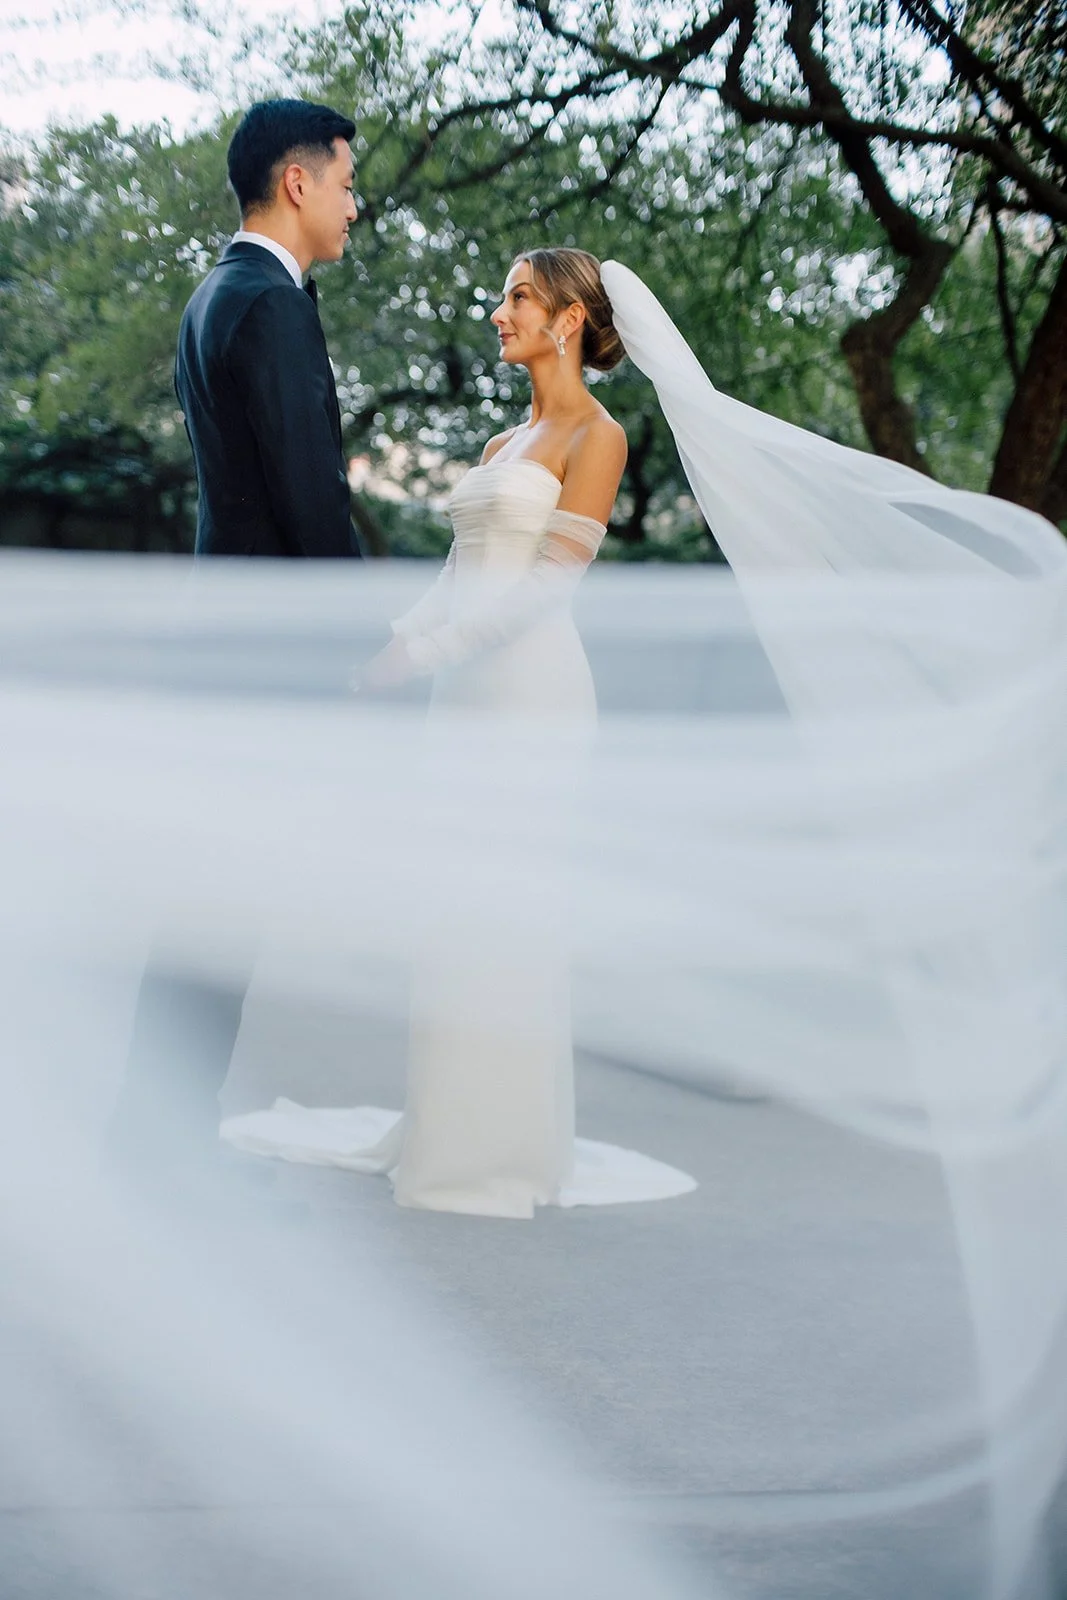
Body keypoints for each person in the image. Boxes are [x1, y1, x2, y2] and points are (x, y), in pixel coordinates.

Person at [221, 248, 699, 1217]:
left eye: (519, 296)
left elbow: (543, 589)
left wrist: (421, 659)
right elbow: (458, 575)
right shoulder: (496, 448)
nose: (498, 311)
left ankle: (502, 1150)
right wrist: (386, 647)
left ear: (569, 319)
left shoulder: (594, 436)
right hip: (462, 698)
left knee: (514, 911)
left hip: (532, 694)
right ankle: (445, 1126)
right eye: (502, 296)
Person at [107, 99, 363, 1191]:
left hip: (225, 642)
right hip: (269, 660)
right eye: (347, 180)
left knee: (214, 896)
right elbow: (309, 500)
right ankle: (155, 1140)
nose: (356, 203)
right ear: (295, 183)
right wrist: (372, 644)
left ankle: (153, 1125)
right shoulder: (270, 306)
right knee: (224, 901)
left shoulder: (212, 296)